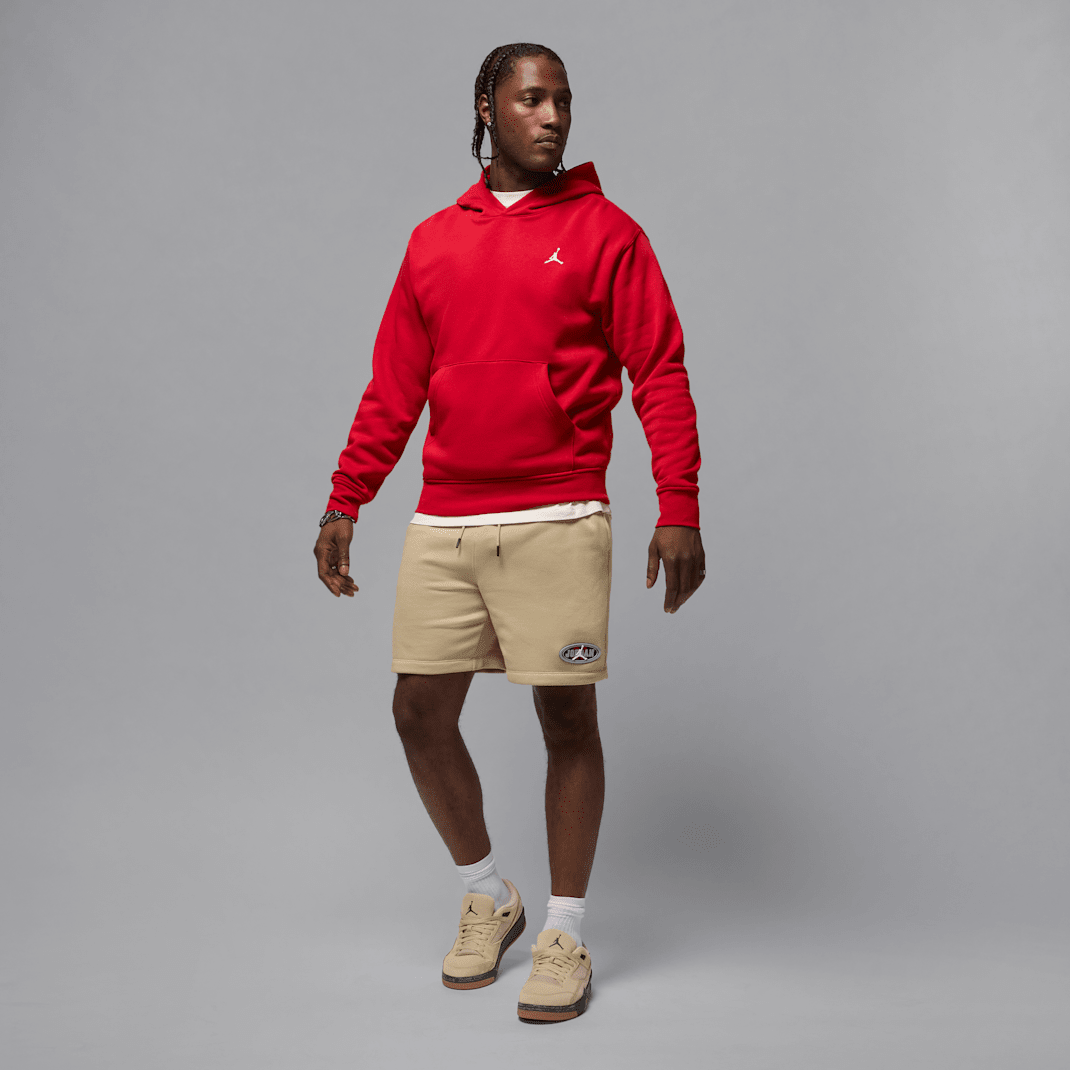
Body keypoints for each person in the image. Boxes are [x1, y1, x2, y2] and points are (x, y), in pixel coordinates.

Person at [314, 42, 704, 1024]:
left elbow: (658, 369)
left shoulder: (606, 232)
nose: (553, 115)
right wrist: (346, 497)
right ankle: (488, 893)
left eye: (562, 99)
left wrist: (678, 506)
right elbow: (394, 385)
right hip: (447, 514)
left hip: (558, 513)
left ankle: (564, 930)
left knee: (565, 721)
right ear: (486, 107)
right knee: (417, 710)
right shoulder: (432, 242)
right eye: (532, 98)